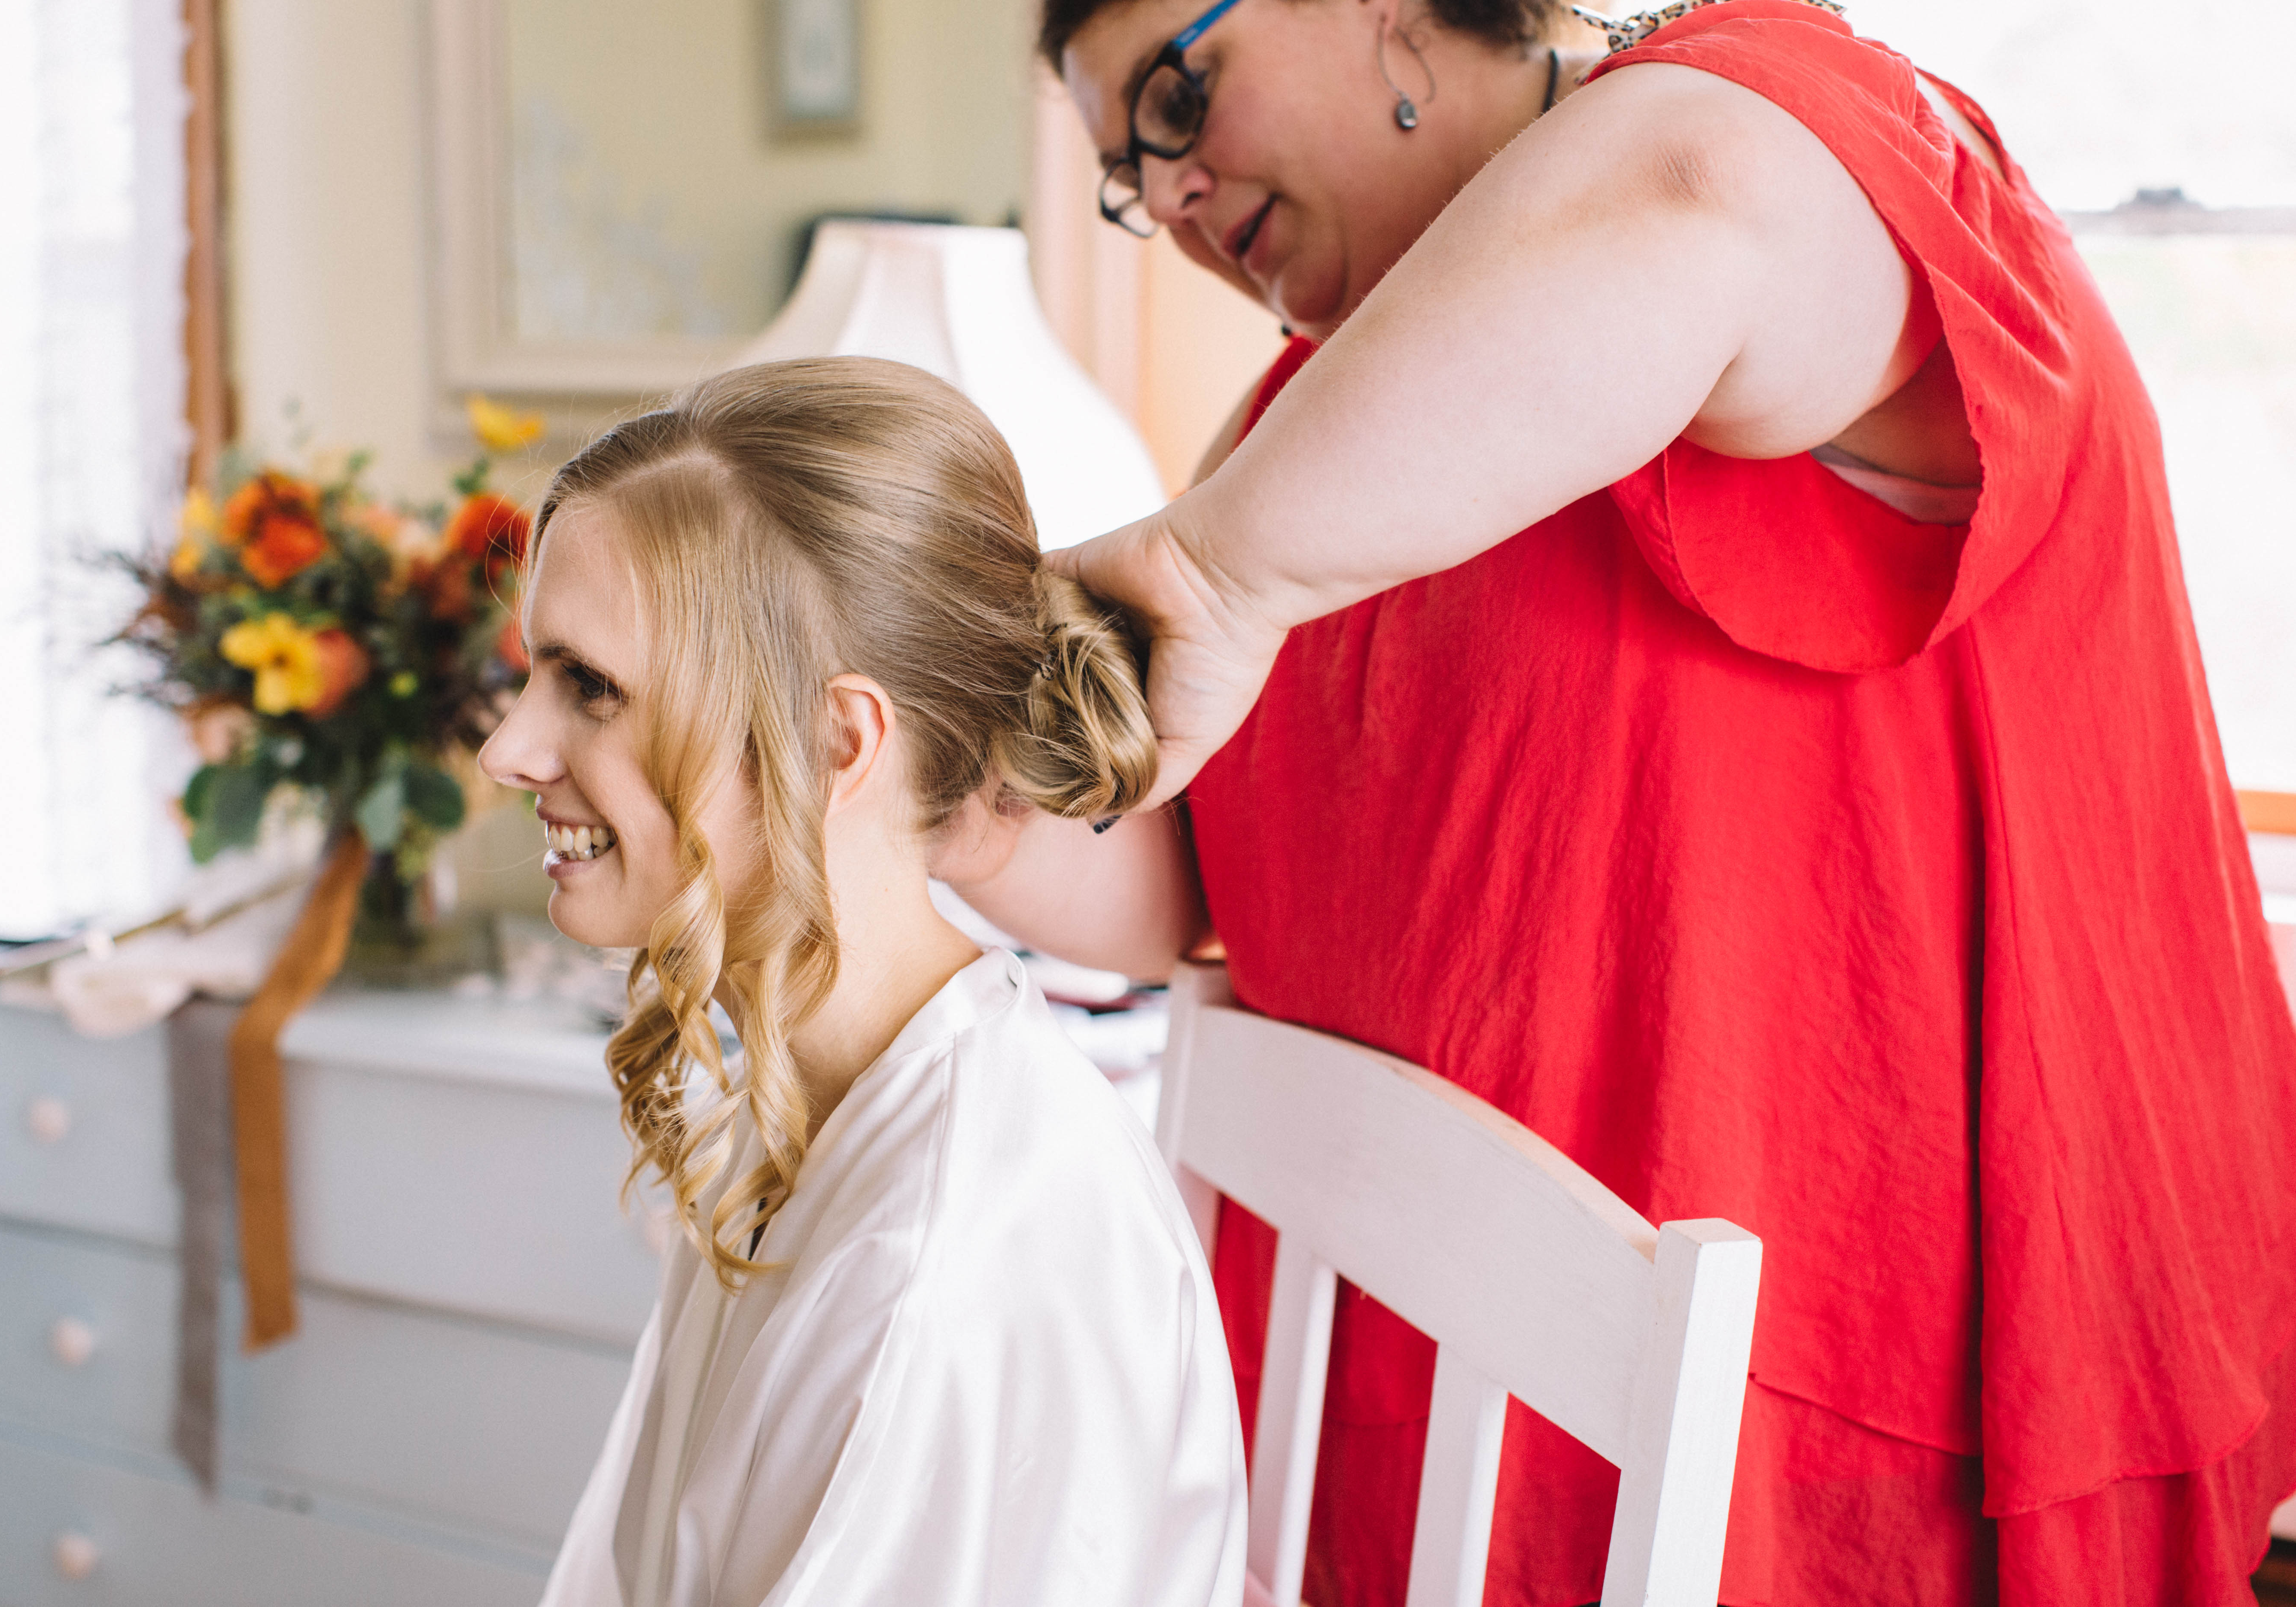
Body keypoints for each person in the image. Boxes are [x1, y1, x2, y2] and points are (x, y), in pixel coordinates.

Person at [933, 0, 2296, 1601]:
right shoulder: (1292, 431)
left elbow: (1697, 195)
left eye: (1179, 94)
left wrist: (1211, 566)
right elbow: (1204, 884)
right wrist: (942, 810)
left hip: (1822, 1433)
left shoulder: (1787, 113)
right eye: (1119, 175)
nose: (1162, 195)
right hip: (1437, 1430)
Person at [479, 357, 1247, 1607]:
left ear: (838, 744)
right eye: (534, 677)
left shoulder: (949, 1261)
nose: (507, 749)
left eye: (592, 688)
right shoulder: (796, 1108)